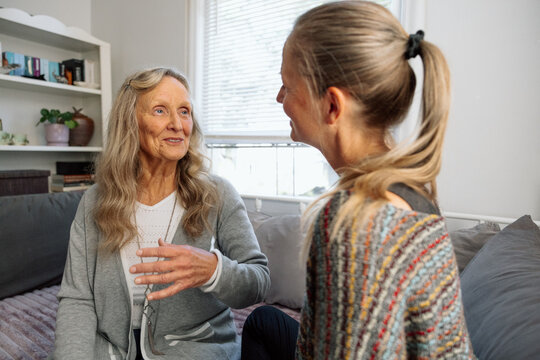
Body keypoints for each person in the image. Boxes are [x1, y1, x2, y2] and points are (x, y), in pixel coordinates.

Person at [241, 1, 476, 359]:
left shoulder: (356, 224)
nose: (279, 98)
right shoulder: (408, 189)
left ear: (332, 106)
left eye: (286, 86)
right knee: (264, 321)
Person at [51, 67, 270, 359]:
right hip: (112, 349)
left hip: (195, 349)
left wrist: (213, 270)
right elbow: (78, 298)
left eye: (184, 111)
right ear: (130, 122)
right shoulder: (95, 201)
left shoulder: (217, 194)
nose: (177, 124)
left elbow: (259, 281)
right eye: (160, 110)